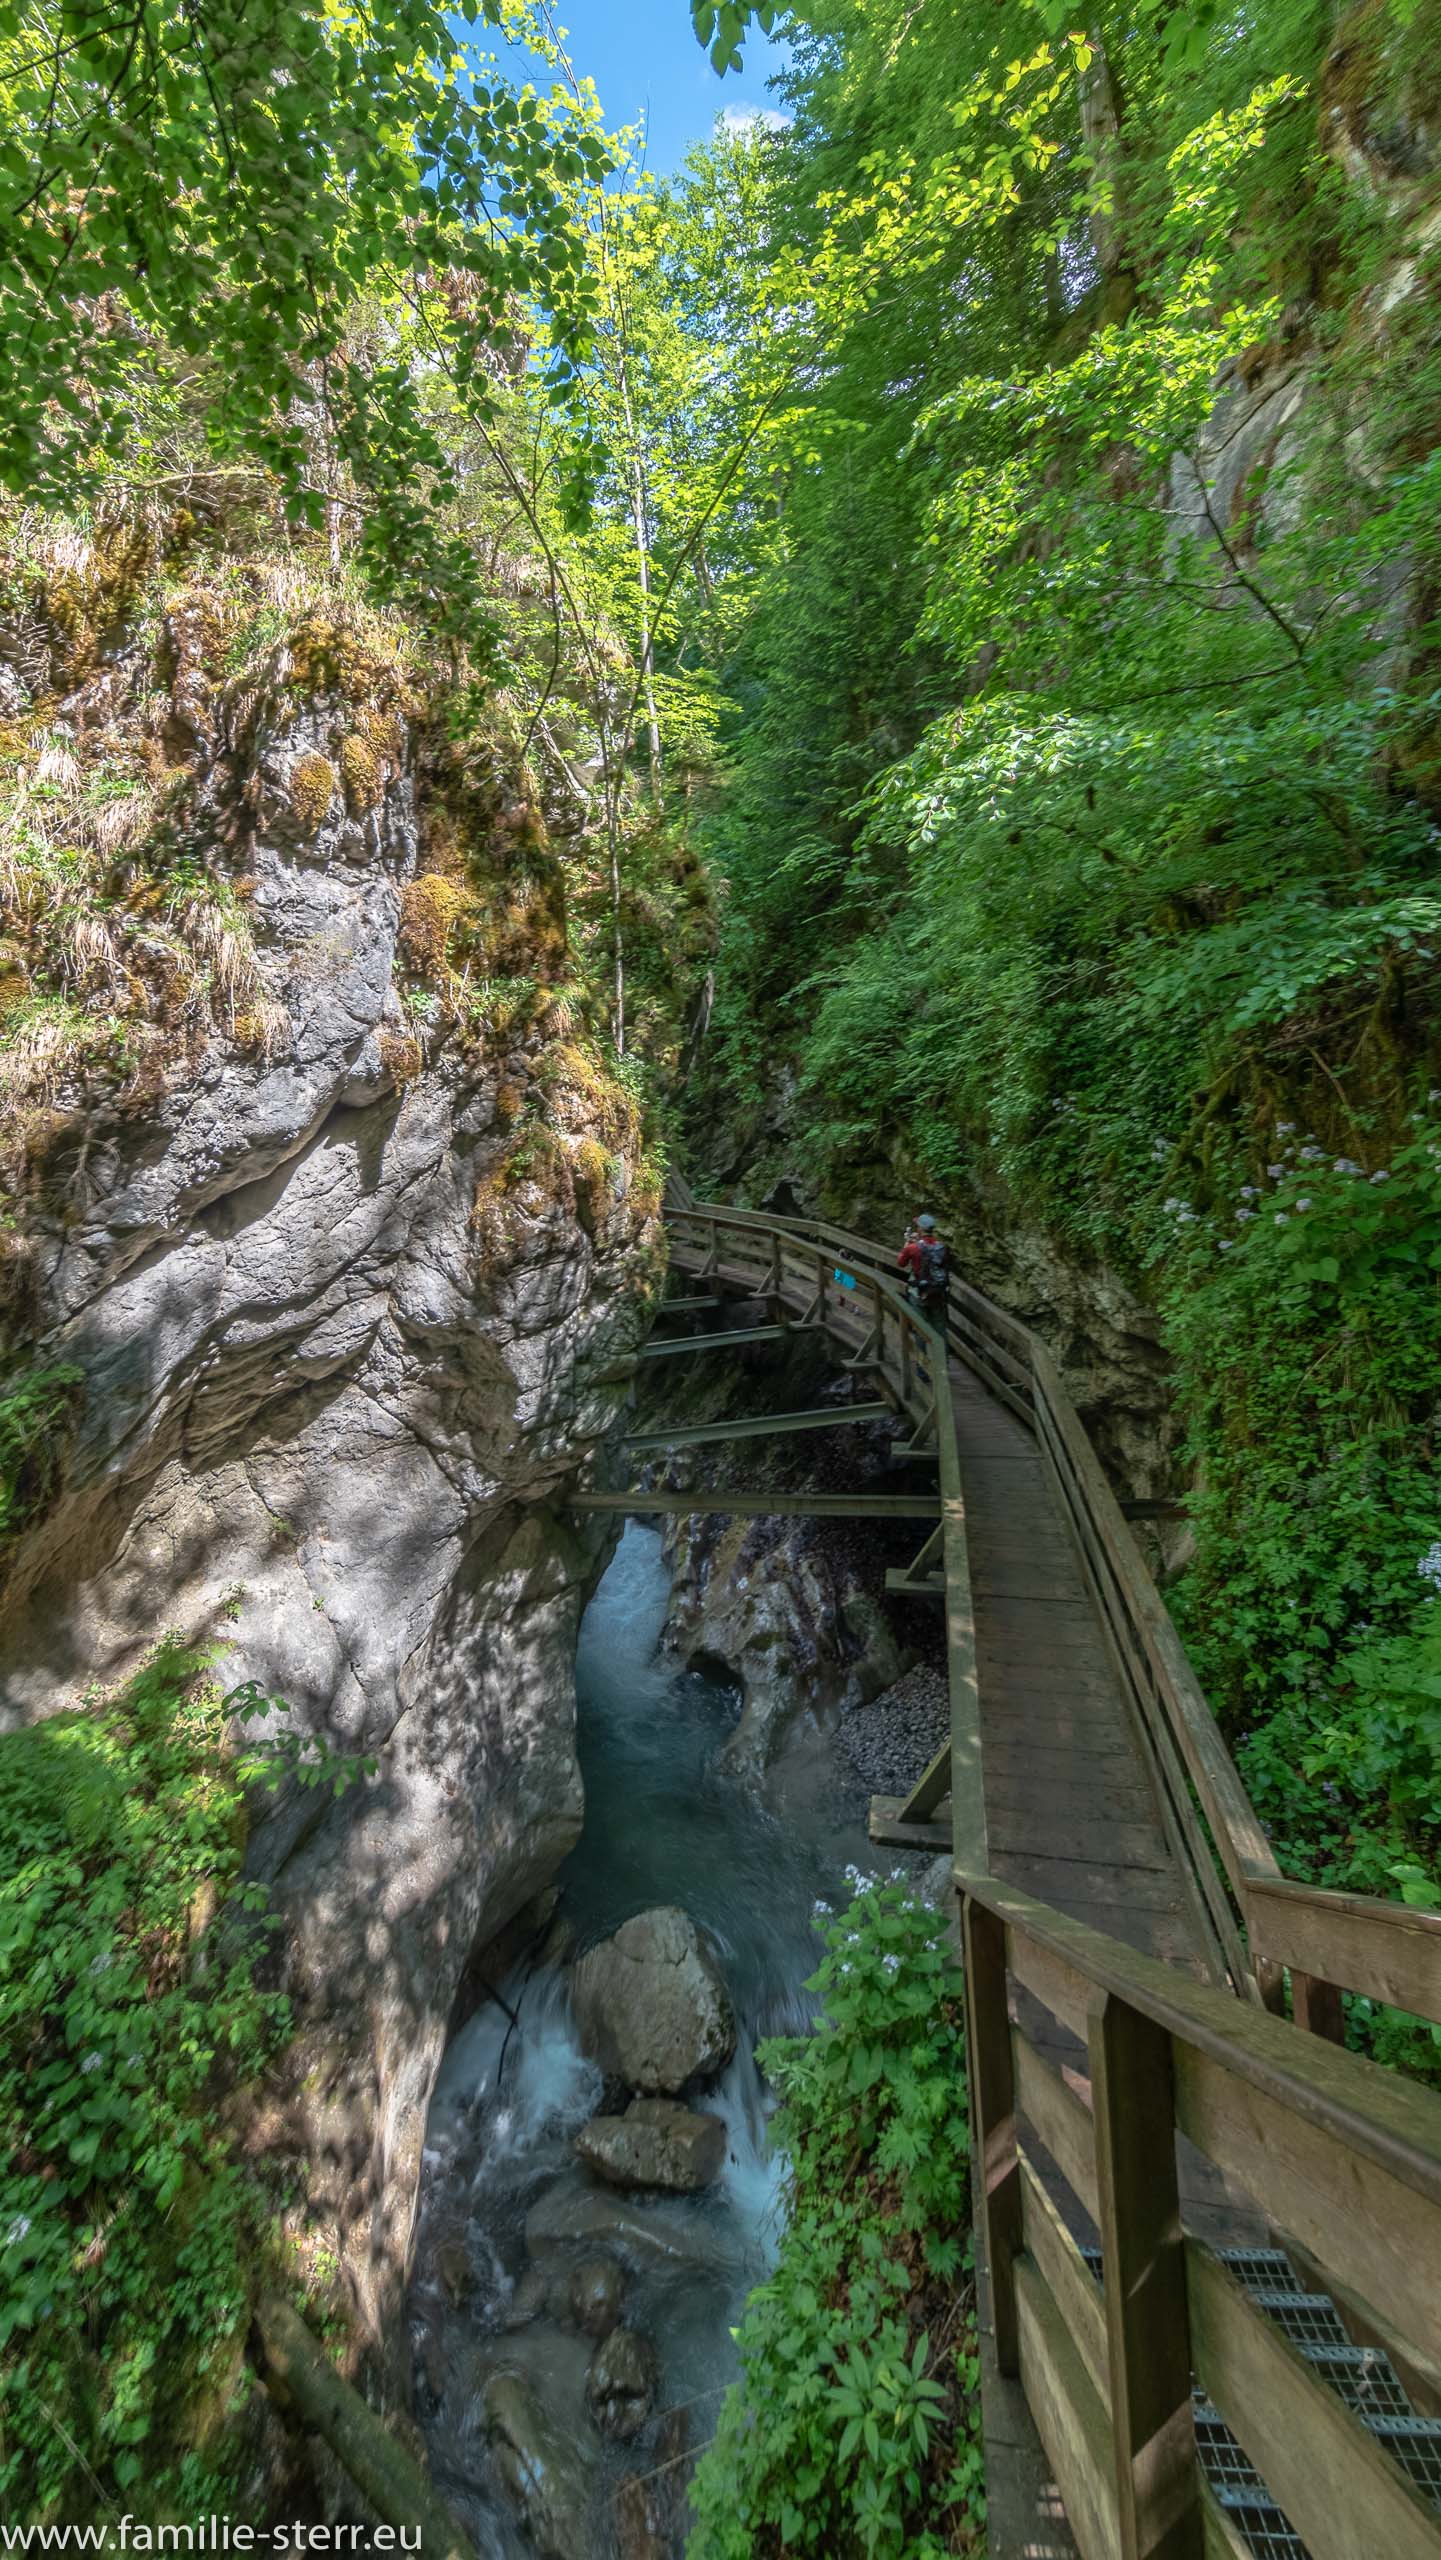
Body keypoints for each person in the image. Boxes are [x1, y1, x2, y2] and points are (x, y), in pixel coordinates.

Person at [898, 1212, 949, 1325]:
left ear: (920, 1229)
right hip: (938, 1292)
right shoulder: (941, 1247)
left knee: (920, 1327)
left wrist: (906, 1245)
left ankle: (921, 1342)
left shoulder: (912, 1248)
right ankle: (940, 1343)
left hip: (919, 1293)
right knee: (939, 1327)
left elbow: (901, 1263)